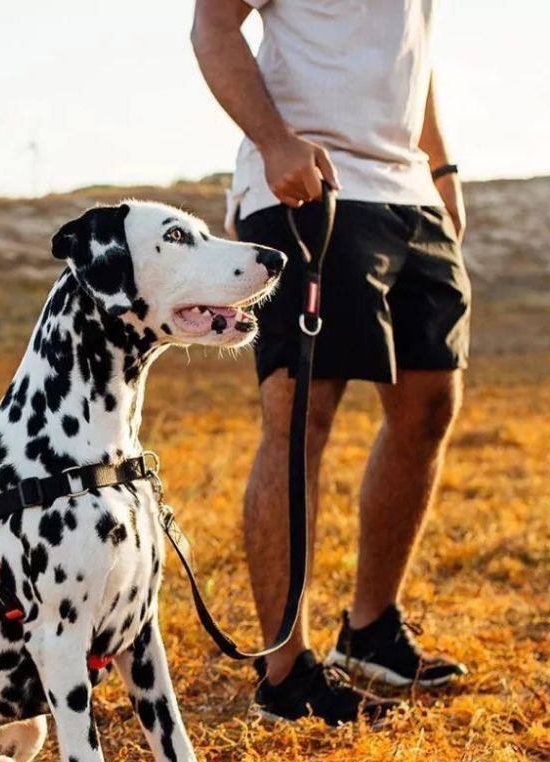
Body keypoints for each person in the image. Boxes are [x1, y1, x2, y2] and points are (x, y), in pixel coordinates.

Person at [191, 0, 470, 724]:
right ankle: (287, 674)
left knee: (429, 406)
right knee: (302, 417)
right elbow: (213, 25)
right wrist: (274, 140)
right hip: (312, 184)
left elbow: (411, 54)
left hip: (409, 192)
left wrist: (441, 167)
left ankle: (371, 630)